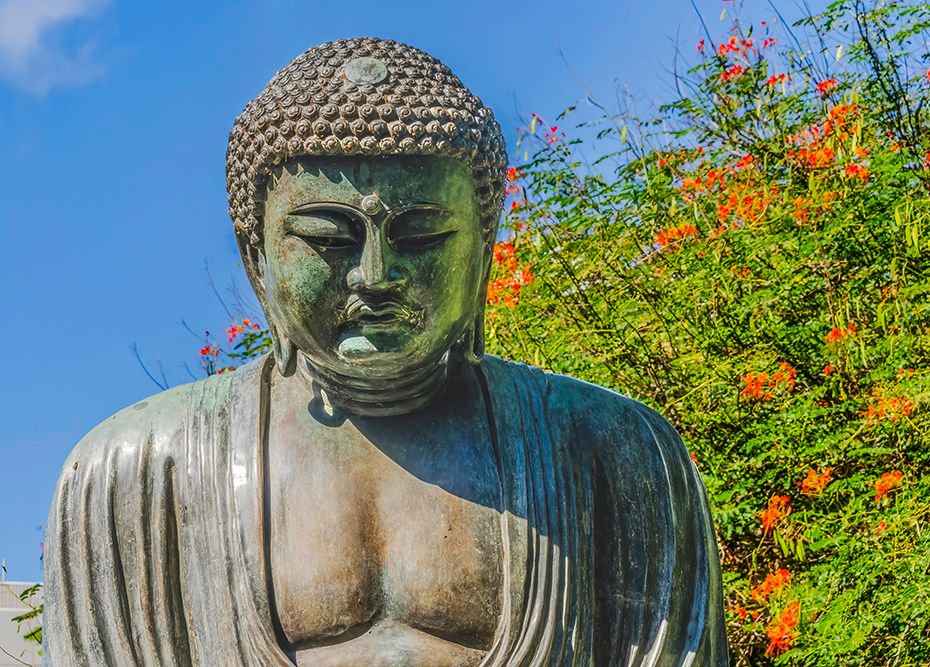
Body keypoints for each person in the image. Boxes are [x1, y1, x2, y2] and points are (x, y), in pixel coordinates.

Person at [43, 38, 728, 666]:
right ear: (258, 260)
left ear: (483, 250)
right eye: (329, 238)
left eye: (422, 233)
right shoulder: (133, 474)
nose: (375, 275)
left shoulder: (611, 452)